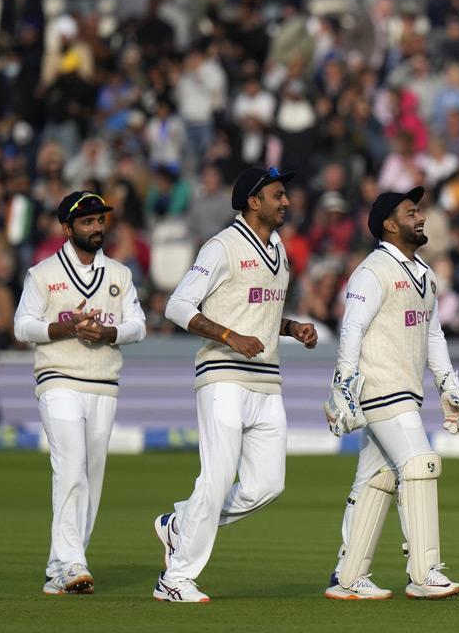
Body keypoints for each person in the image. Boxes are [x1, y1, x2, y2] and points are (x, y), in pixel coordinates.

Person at [153, 167, 318, 603]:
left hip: (267, 380)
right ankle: (176, 579)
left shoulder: (278, 249)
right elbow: (177, 305)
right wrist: (229, 337)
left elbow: (254, 312)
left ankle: (179, 524)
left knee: (267, 485)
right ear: (253, 202)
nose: (286, 202)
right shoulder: (222, 246)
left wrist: (291, 327)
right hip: (222, 375)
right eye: (278, 195)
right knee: (218, 477)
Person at [322, 186, 459, 601]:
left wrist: (448, 384)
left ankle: (349, 578)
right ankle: (424, 572)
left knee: (377, 478)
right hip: (380, 388)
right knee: (419, 465)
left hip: (405, 390)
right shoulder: (372, 271)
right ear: (389, 224)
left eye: (419, 210)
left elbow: (433, 333)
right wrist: (344, 383)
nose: (420, 217)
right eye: (410, 212)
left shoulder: (425, 273)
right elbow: (352, 327)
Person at [14, 191, 146, 595]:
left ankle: (61, 569)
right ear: (67, 227)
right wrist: (64, 327)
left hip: (103, 382)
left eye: (100, 221)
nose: (96, 228)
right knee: (70, 466)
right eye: (87, 222)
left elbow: (137, 326)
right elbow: (22, 327)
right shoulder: (42, 274)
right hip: (58, 379)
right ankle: (73, 563)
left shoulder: (120, 275)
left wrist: (109, 332)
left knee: (91, 476)